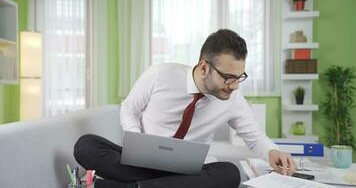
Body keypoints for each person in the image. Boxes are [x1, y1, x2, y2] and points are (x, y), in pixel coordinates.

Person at [74, 29, 296, 188]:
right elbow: (129, 109)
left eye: (240, 77)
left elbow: (254, 136)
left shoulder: (233, 98)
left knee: (228, 172)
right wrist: (136, 139)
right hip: (141, 164)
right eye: (228, 78)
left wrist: (273, 151)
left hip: (186, 170)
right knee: (86, 146)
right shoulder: (160, 75)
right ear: (203, 67)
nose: (235, 85)